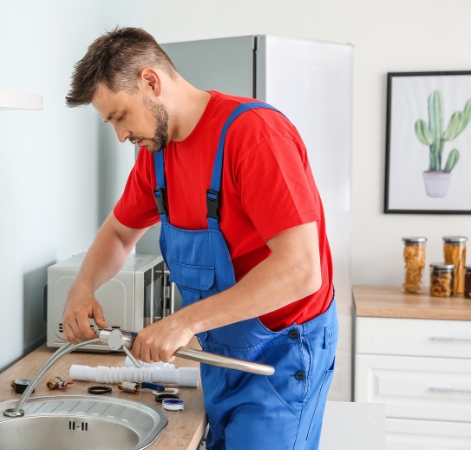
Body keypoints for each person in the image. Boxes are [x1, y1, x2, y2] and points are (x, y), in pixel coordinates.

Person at [62, 27, 338, 450]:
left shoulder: (255, 136)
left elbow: (302, 271)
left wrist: (183, 322)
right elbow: (119, 233)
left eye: (119, 116)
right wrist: (82, 287)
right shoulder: (154, 158)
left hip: (282, 357)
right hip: (220, 351)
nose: (120, 136)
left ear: (150, 81)